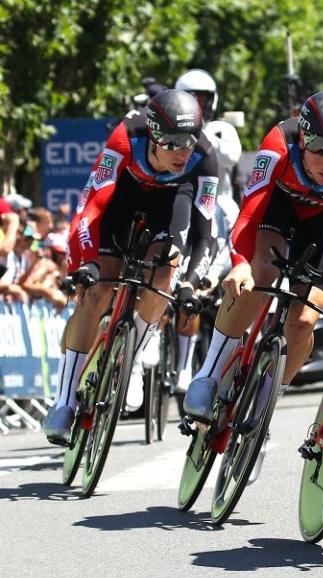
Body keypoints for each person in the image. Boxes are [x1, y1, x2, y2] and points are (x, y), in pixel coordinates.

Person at [183, 91, 323, 426]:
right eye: (320, 149)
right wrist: (240, 261)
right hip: (278, 206)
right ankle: (209, 373)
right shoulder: (279, 142)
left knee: (303, 321)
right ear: (303, 139)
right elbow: (249, 212)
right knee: (260, 276)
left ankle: (265, 406)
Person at [41, 89, 219, 446]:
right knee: (98, 290)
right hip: (121, 200)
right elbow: (90, 207)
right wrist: (86, 262)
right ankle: (64, 402)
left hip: (171, 203)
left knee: (165, 270)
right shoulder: (126, 136)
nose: (182, 152)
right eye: (172, 143)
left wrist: (192, 282)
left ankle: (132, 354)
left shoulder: (203, 157)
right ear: (153, 135)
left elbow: (203, 234)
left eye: (189, 142)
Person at [173, 68, 243, 392]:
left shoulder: (220, 129)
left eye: (204, 99)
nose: (199, 105)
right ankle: (177, 364)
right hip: (179, 202)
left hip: (220, 203)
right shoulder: (171, 127)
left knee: (220, 249)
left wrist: (205, 134)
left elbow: (231, 156)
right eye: (193, 99)